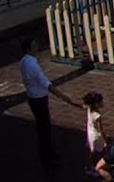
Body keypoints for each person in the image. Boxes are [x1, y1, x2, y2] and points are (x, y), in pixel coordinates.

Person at [19, 37, 80, 166]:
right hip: (39, 99)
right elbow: (46, 83)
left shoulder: (23, 62)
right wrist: (65, 98)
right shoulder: (32, 64)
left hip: (32, 97)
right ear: (29, 48)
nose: (37, 46)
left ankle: (45, 152)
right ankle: (47, 154)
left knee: (41, 126)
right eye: (34, 44)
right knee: (44, 127)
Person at [83, 92, 108, 172]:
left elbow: (81, 105)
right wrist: (105, 137)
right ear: (96, 104)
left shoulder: (89, 109)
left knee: (93, 150)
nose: (103, 103)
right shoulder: (97, 115)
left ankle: (90, 166)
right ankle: (95, 166)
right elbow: (100, 128)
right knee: (100, 150)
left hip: (90, 133)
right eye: (101, 101)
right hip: (96, 135)